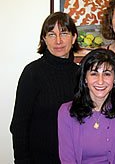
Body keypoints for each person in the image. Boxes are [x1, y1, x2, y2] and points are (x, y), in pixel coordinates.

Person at [10, 12, 80, 164]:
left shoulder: (82, 74)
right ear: (44, 39)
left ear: (73, 37)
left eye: (64, 33)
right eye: (51, 34)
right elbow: (19, 124)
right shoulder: (32, 73)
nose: (58, 40)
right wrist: (22, 160)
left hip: (75, 158)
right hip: (38, 159)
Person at [58, 48, 115, 163]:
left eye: (107, 74)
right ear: (85, 78)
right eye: (94, 73)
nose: (100, 81)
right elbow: (67, 160)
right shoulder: (66, 112)